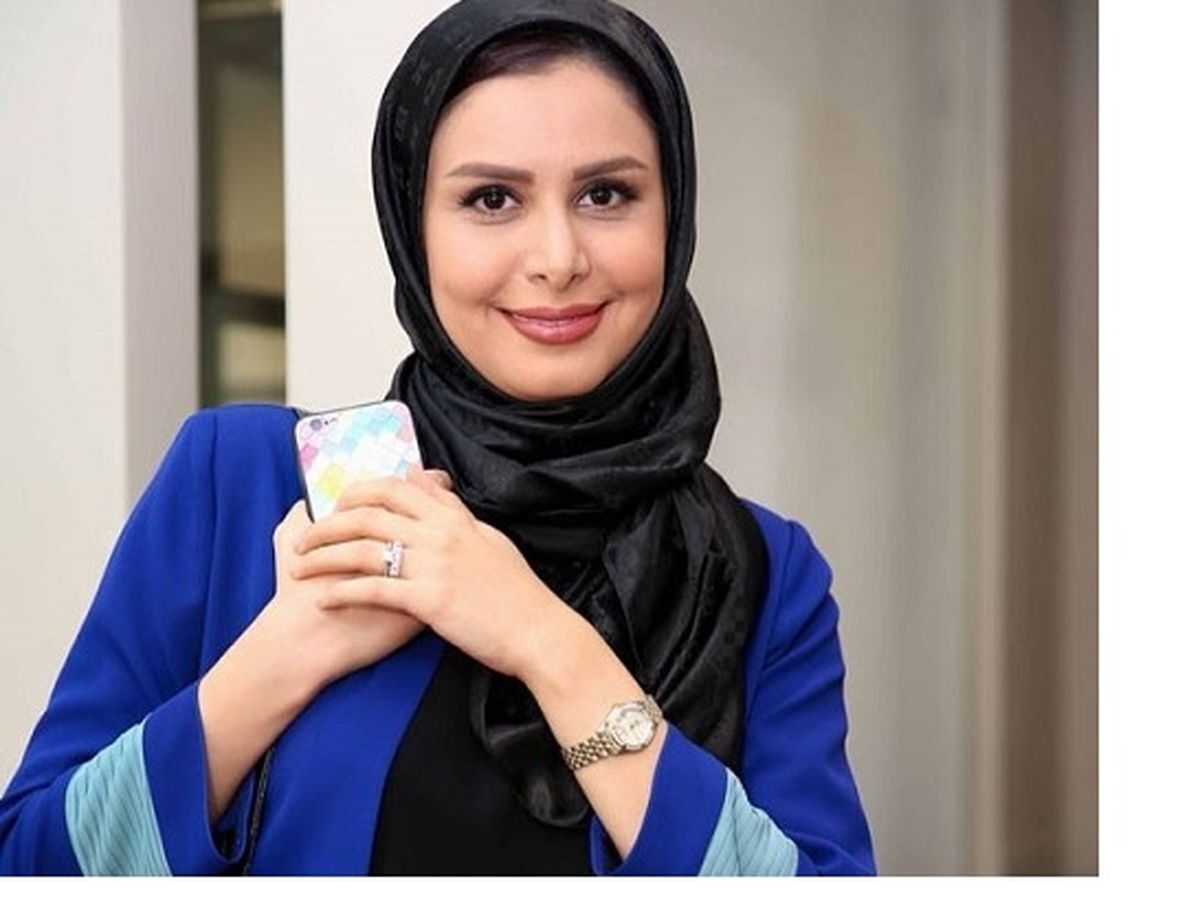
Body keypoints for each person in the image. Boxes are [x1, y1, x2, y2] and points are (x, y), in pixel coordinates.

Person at [0, 0, 874, 876]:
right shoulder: (244, 484)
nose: (558, 257)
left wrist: (547, 640)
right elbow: (30, 868)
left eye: (606, 194)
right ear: (413, 229)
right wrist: (283, 654)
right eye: (492, 199)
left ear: (673, 214)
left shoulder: (759, 572)